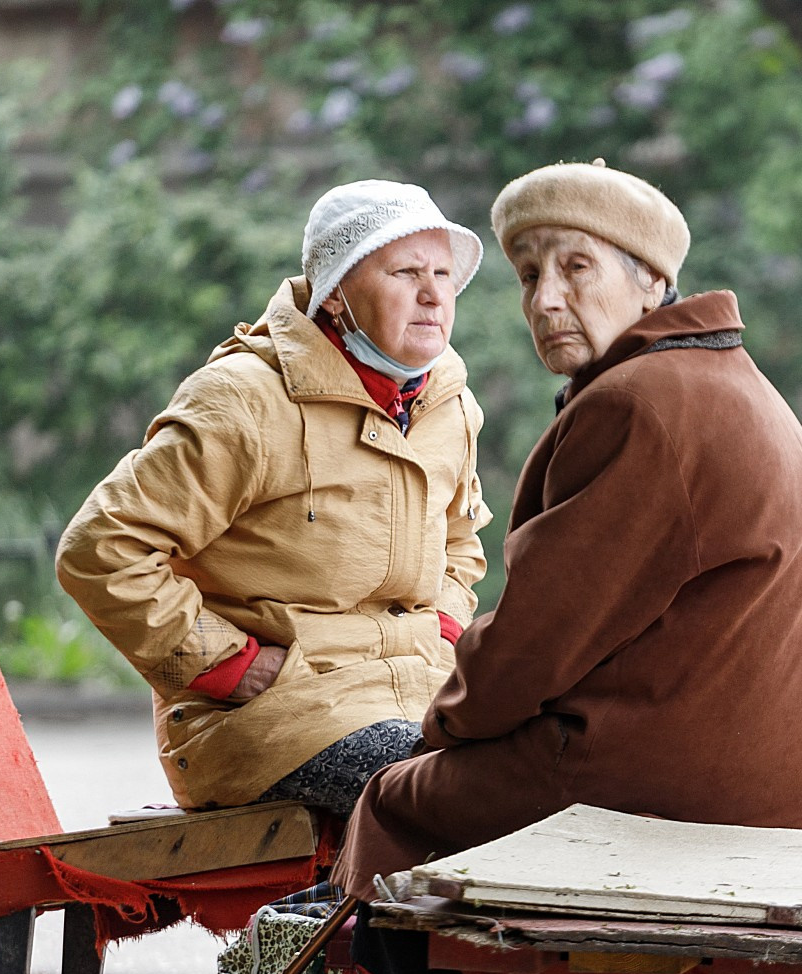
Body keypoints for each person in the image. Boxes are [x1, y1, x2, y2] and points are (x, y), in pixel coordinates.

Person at [333, 161, 802, 974]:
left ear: (650, 283)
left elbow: (533, 642)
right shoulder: (712, 379)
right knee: (431, 785)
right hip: (763, 765)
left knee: (390, 803)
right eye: (528, 273)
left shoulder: (640, 405)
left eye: (576, 268)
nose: (545, 298)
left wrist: (442, 731)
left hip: (694, 778)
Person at [57, 181, 491, 821]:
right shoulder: (244, 400)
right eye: (406, 273)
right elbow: (101, 550)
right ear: (336, 292)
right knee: (461, 795)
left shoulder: (449, 404)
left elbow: (459, 540)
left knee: (560, 760)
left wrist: (444, 631)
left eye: (444, 274)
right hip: (274, 719)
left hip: (419, 695)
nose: (433, 295)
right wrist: (230, 665)